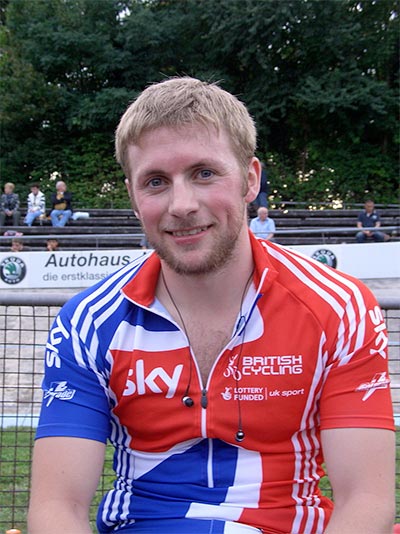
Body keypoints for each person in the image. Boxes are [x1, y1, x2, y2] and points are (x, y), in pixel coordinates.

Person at [28, 77, 395, 534]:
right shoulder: (87, 321)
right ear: (133, 196)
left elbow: (367, 500)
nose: (182, 205)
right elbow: (55, 508)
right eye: (156, 182)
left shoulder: (340, 307)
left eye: (204, 173)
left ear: (250, 179)